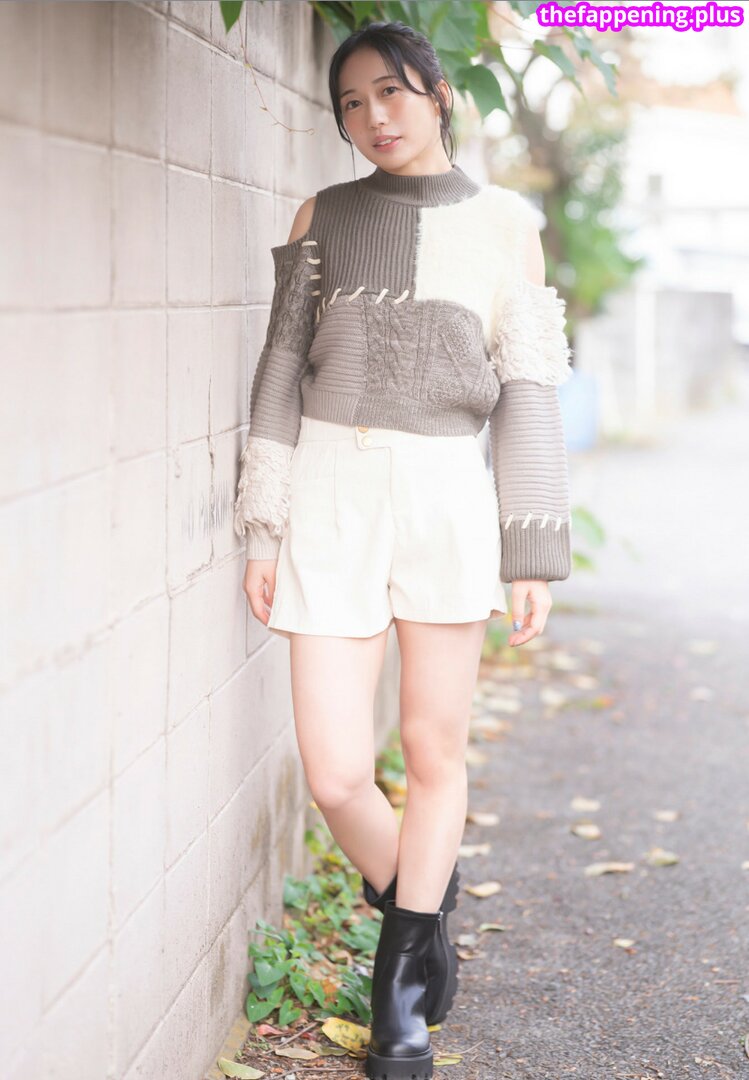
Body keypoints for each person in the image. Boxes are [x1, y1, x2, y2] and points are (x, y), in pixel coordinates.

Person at [234, 19, 573, 1080]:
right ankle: (421, 909)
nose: (373, 117)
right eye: (351, 103)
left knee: (431, 751)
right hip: (328, 489)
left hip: (443, 495)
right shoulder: (324, 216)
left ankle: (399, 999)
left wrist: (530, 548)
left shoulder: (507, 226)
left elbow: (526, 395)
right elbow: (279, 371)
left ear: (435, 93)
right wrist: (263, 522)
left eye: (390, 92)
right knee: (337, 771)